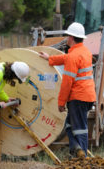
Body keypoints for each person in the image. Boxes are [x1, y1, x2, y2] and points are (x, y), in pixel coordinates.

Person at [39, 22, 96, 158]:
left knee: (79, 128)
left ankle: (82, 157)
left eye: (67, 36)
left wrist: (61, 102)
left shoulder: (73, 56)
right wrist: (50, 59)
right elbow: (67, 58)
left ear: (71, 38)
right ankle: (76, 150)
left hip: (78, 97)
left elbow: (67, 83)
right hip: (88, 96)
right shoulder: (85, 52)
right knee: (70, 125)